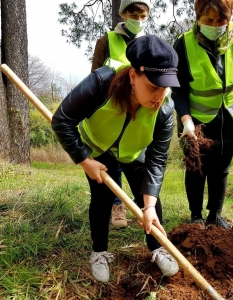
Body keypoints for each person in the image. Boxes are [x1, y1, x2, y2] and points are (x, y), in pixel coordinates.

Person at [52, 35, 180, 282]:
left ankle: (157, 247)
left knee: (149, 198)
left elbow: (157, 160)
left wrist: (149, 205)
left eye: (165, 88)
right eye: (153, 86)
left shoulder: (164, 109)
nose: (159, 95)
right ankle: (99, 251)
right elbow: (62, 120)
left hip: (133, 151)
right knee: (101, 198)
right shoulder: (101, 83)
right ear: (133, 76)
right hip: (96, 149)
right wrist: (85, 160)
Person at [172, 0, 233, 229]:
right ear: (198, 17)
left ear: (229, 17)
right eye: (209, 20)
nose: (216, 25)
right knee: (196, 167)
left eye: (221, 20)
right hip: (196, 119)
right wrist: (185, 120)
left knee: (221, 168)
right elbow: (178, 88)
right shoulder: (183, 44)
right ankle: (196, 216)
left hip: (231, 115)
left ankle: (215, 215)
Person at [91, 0, 151, 228]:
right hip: (112, 112)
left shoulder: (147, 43)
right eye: (134, 14)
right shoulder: (106, 41)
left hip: (138, 114)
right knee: (113, 164)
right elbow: (95, 78)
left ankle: (142, 207)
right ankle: (117, 206)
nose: (138, 20)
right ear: (124, 14)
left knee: (138, 162)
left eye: (143, 15)